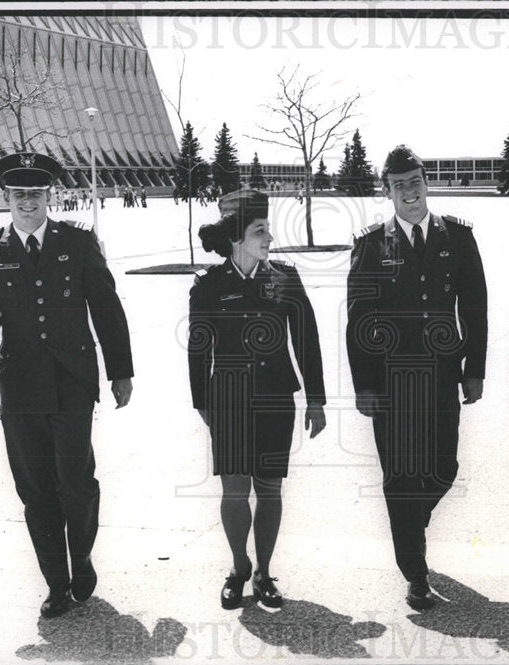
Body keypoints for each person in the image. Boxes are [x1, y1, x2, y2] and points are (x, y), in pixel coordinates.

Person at [0, 152, 134, 619]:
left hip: (73, 382)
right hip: (19, 389)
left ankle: (80, 557)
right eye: (18, 195)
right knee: (36, 489)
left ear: (49, 196)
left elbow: (106, 307)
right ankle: (57, 583)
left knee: (76, 483)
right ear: (6, 198)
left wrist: (122, 371)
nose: (27, 203)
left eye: (35, 194)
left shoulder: (77, 243)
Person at [346, 145, 488, 610]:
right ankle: (415, 572)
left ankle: (409, 524)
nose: (409, 192)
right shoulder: (370, 245)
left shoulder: (459, 239)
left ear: (427, 183)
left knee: (444, 468)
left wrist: (475, 370)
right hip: (390, 384)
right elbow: (358, 320)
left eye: (415, 182)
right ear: (386, 191)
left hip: (443, 377)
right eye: (398, 185)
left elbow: (475, 309)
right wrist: (363, 384)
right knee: (401, 479)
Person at [188, 189, 327, 610]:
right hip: (228, 399)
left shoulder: (284, 277)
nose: (269, 237)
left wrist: (316, 399)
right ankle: (239, 567)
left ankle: (264, 572)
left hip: (274, 399)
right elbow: (198, 348)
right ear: (236, 238)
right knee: (234, 490)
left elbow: (307, 338)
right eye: (260, 230)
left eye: (267, 228)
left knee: (269, 489)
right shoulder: (208, 285)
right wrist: (202, 402)